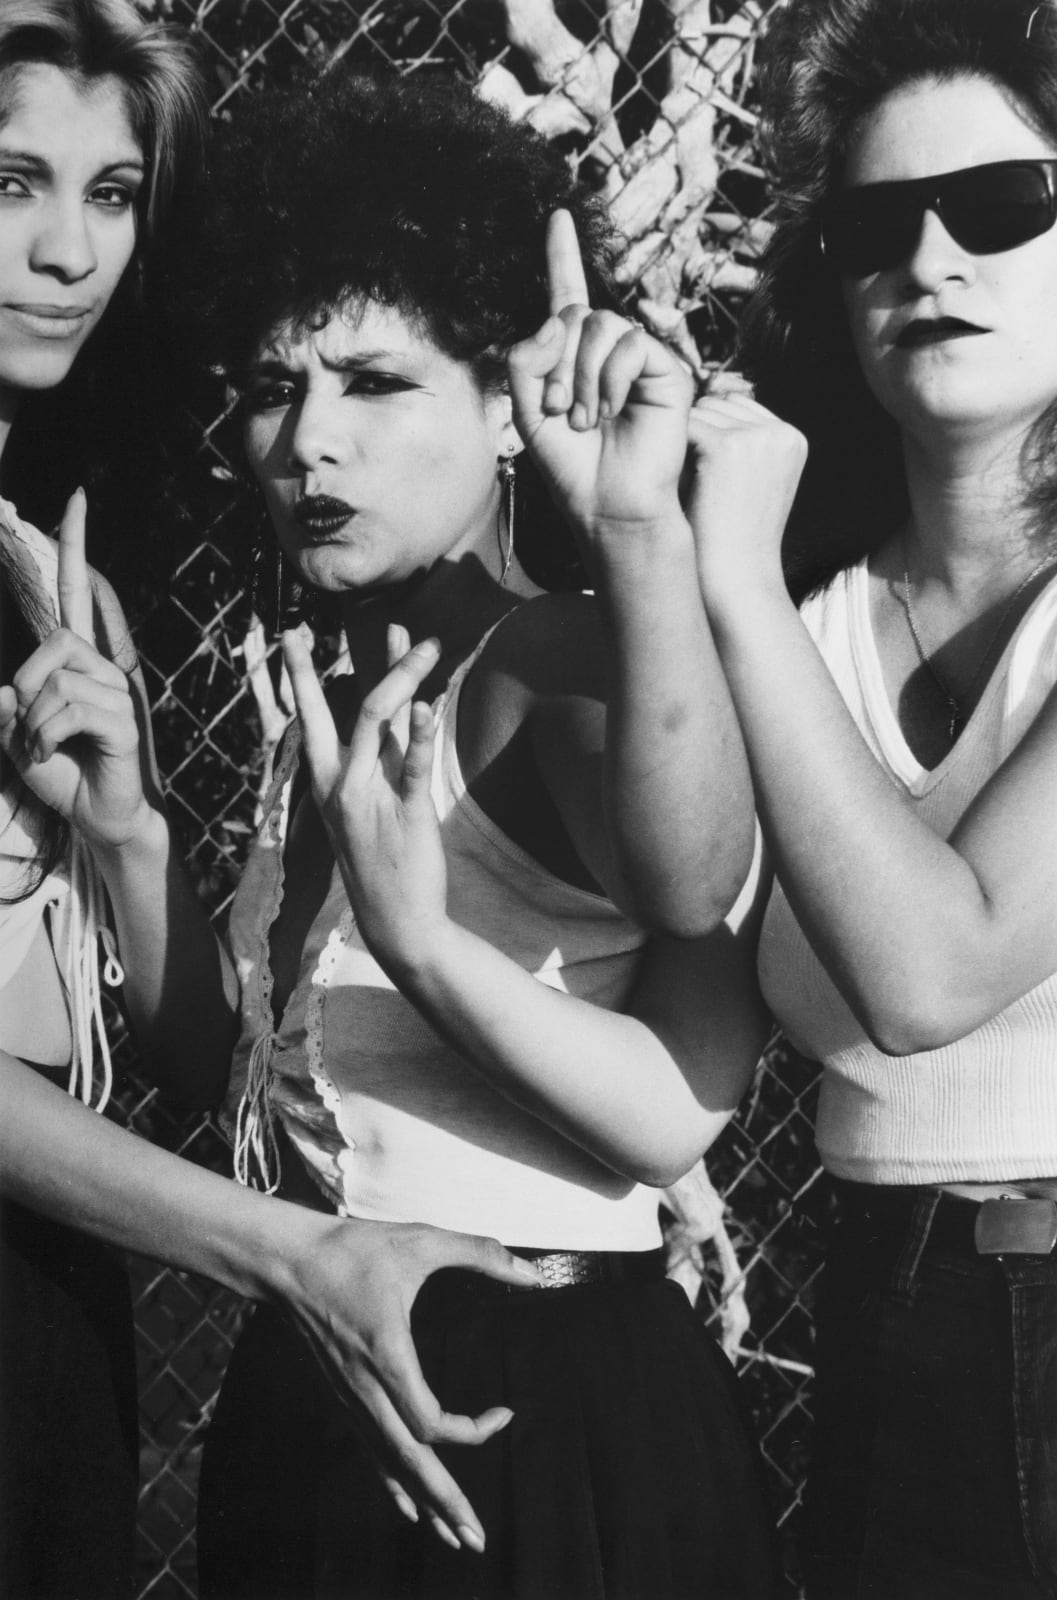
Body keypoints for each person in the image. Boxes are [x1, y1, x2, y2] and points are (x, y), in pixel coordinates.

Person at [151, 68, 777, 1600]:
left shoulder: (549, 660)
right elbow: (256, 1081)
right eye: (271, 388)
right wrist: (121, 834)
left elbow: (697, 886)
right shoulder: (337, 693)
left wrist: (635, 534)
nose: (308, 442)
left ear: (504, 405)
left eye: (375, 383)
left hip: (529, 1400)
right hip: (324, 1362)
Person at [0, 9, 550, 1596]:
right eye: (13, 181)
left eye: (113, 194)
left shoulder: (52, 574)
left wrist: (129, 837)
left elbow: (182, 1062)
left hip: (58, 1301)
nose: (67, 251)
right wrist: (298, 1254)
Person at [684, 0, 1057, 1594]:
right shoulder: (799, 627)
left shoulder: (758, 618)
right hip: (878, 1314)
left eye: (999, 206)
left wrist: (727, 585)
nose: (929, 259)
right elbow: (679, 977)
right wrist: (633, 534)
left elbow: (928, 977)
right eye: (874, 226)